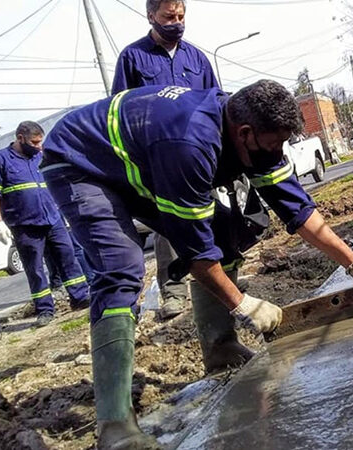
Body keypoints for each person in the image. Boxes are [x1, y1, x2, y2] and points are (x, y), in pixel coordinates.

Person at [41, 80, 353, 448]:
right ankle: (114, 426)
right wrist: (243, 304)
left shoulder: (251, 132)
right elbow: (194, 253)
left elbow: (298, 209)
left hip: (144, 161)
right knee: (121, 270)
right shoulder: (189, 143)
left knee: (226, 230)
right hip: (82, 163)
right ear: (244, 134)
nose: (279, 151)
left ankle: (220, 349)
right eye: (273, 144)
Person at [112, 0, 219, 320]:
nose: (177, 22)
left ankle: (213, 289)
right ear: (150, 16)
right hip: (156, 160)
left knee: (207, 219)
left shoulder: (196, 58)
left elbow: (215, 101)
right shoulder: (133, 58)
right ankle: (173, 292)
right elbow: (120, 108)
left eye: (181, 16)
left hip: (198, 156)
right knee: (168, 225)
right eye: (168, 17)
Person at [0, 122, 90, 326]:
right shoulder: (0, 159)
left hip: (53, 218)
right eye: (34, 142)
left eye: (40, 142)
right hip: (25, 225)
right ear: (20, 138)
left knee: (68, 257)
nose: (39, 146)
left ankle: (79, 297)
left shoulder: (40, 157)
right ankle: (45, 309)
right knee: (35, 268)